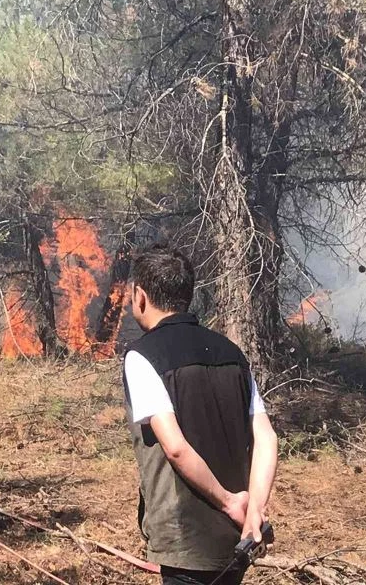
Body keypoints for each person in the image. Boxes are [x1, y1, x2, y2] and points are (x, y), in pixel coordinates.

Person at [122, 246, 278, 585]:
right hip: (236, 537)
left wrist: (228, 503)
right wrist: (253, 510)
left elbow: (175, 447)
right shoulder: (231, 352)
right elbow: (266, 436)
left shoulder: (142, 356)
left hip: (187, 539)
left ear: (141, 296)